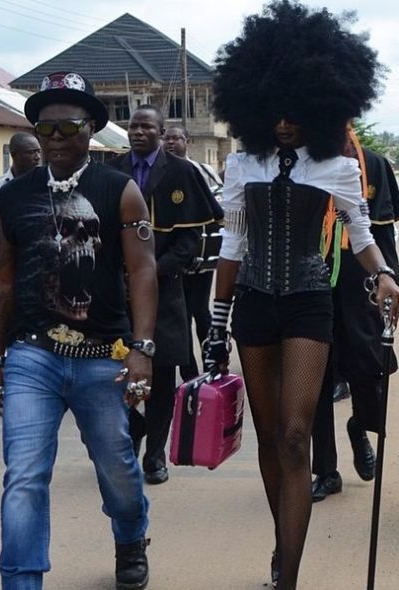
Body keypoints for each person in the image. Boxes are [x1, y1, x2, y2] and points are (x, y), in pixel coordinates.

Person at [206, 2, 399, 589]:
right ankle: (282, 540)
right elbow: (233, 246)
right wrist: (217, 323)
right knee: (270, 441)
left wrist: (386, 275)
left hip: (311, 301)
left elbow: (360, 234)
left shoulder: (336, 168)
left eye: (297, 110)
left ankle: (288, 576)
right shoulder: (242, 165)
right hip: (256, 305)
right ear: (258, 108)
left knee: (295, 435)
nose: (285, 122)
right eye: (275, 111)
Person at [0, 71, 157, 590]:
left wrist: (142, 349)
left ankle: (130, 536)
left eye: (70, 128)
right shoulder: (13, 196)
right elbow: (3, 279)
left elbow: (144, 269)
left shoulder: (119, 190)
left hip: (103, 354)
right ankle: (20, 581)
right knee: (24, 477)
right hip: (32, 355)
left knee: (118, 468)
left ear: (92, 130)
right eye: (46, 129)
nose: (57, 139)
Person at [111, 105, 223, 485]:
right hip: (115, 290)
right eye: (133, 126)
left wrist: (150, 273)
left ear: (162, 131)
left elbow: (189, 240)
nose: (138, 132)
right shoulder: (112, 168)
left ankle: (155, 454)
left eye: (147, 126)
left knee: (160, 376)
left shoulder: (182, 172)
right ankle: (133, 428)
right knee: (111, 373)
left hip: (164, 288)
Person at [311, 134, 399, 501]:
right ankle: (326, 470)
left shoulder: (373, 164)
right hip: (311, 285)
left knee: (368, 370)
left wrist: (389, 278)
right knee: (314, 381)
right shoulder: (303, 163)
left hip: (360, 283)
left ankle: (359, 426)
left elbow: (383, 233)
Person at [163, 125, 224, 382]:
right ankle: (189, 372)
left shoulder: (203, 170)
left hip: (201, 257)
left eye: (177, 138)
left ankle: (213, 362)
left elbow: (219, 204)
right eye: (167, 138)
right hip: (173, 258)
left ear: (187, 141)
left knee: (201, 310)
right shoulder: (159, 172)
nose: (171, 143)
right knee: (181, 315)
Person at [0, 132, 41, 275]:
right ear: (14, 155)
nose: (37, 157)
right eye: (31, 152)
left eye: (38, 151)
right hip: (5, 261)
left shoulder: (47, 186)